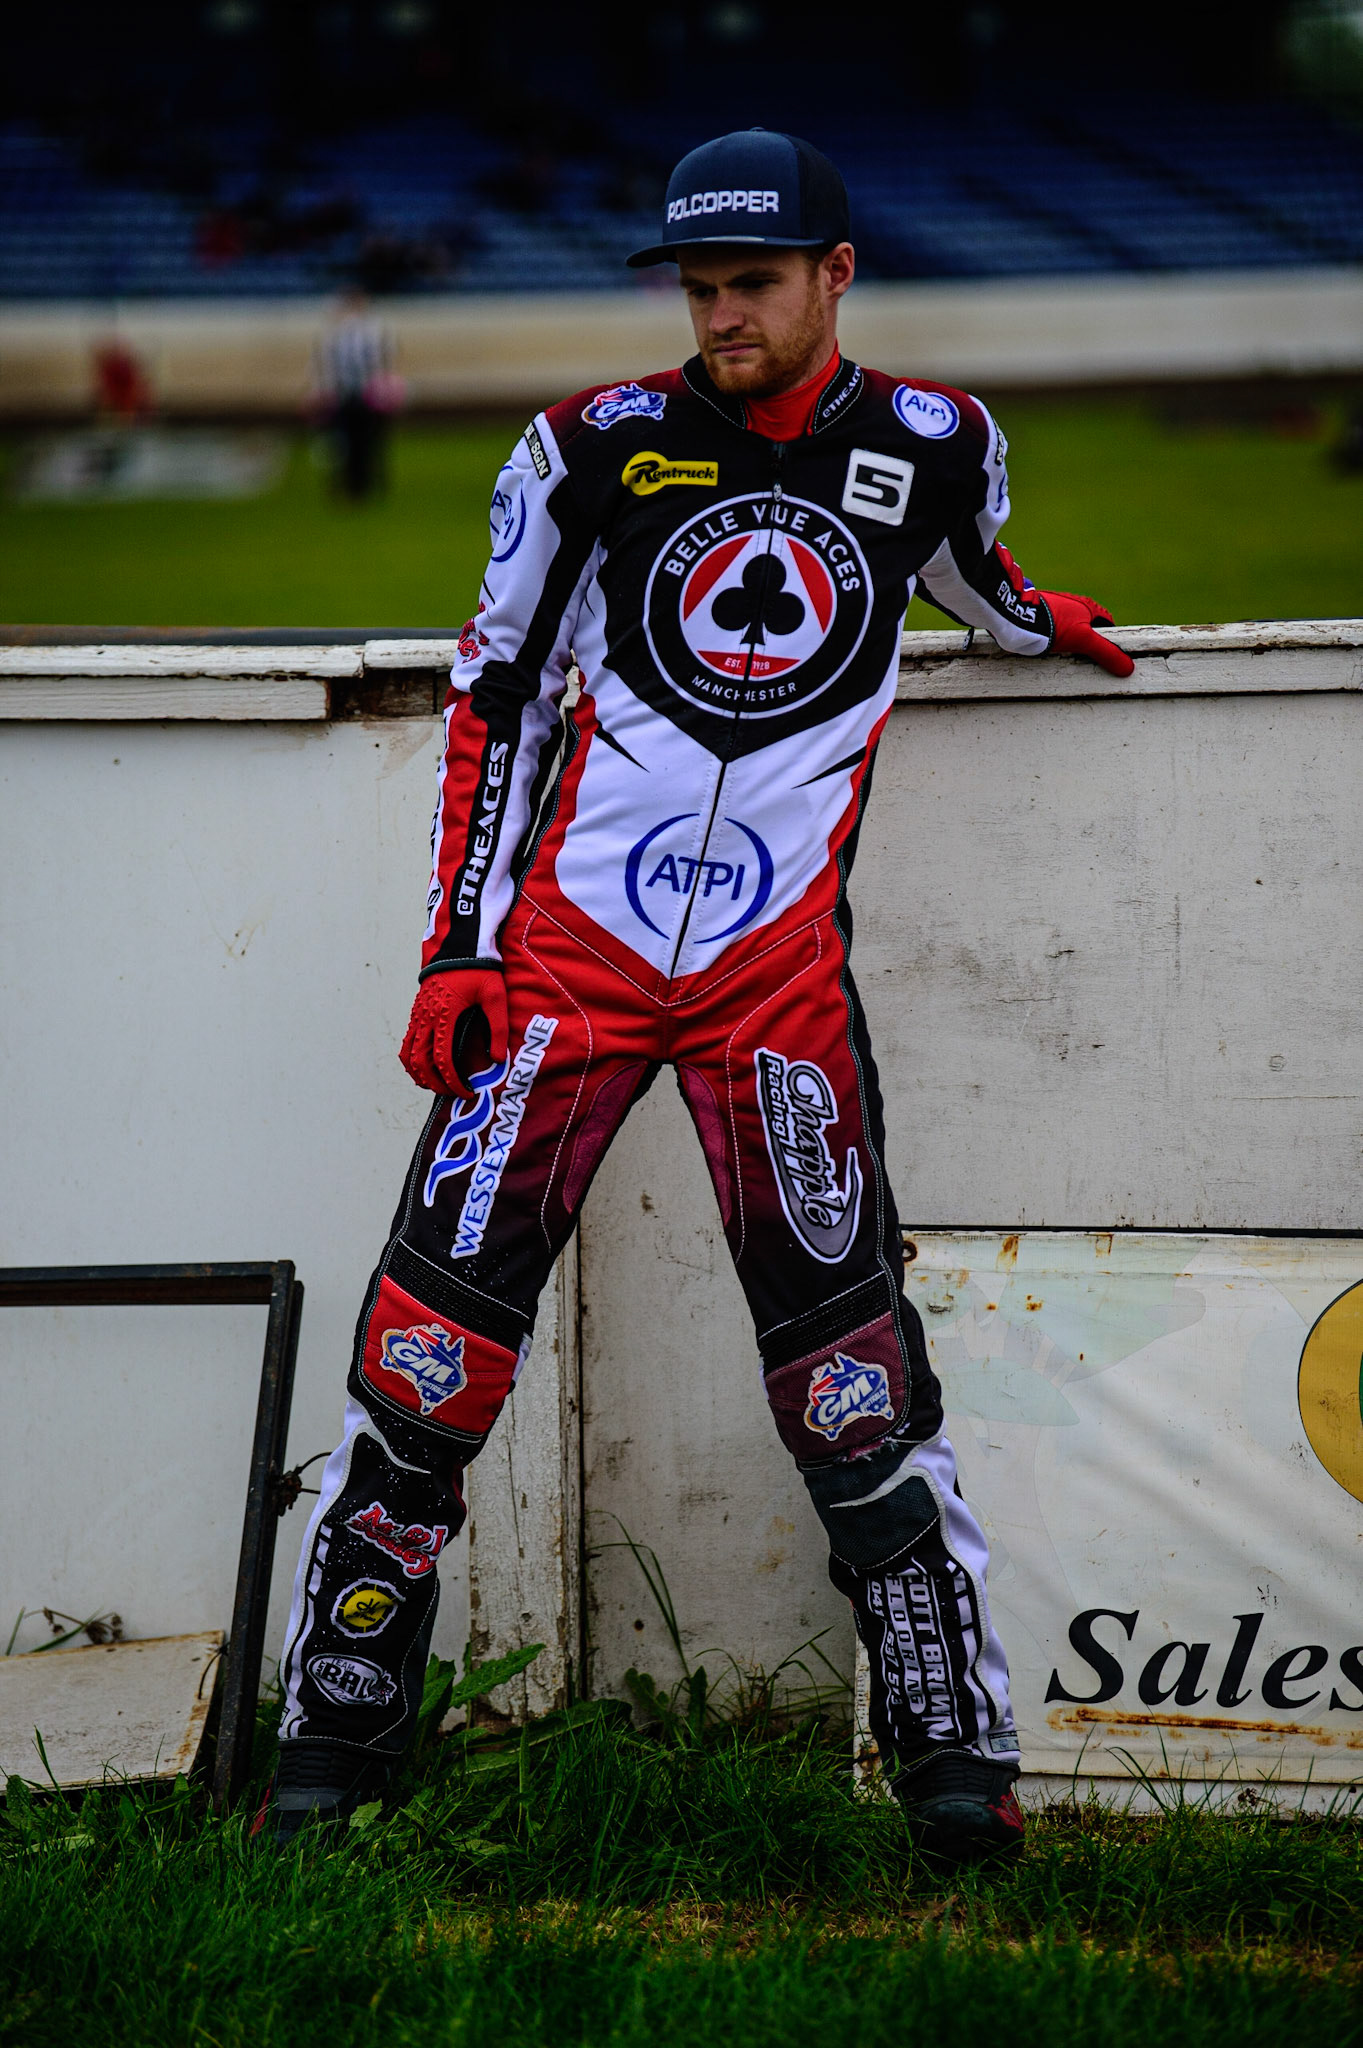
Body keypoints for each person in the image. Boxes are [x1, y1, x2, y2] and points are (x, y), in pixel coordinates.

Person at [269, 128, 1133, 1862]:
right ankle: (329, 1754)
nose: (718, 314)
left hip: (774, 996)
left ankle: (954, 1762)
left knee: (849, 1390)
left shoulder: (935, 441)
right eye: (695, 286)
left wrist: (1038, 626)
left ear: (836, 272)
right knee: (425, 1370)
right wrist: (455, 947)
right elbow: (493, 693)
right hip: (557, 986)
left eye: (750, 283)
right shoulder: (588, 447)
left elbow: (971, 580)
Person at [312, 289, 402, 500]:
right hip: (351, 395)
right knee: (353, 442)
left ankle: (361, 484)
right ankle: (356, 484)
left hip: (365, 395)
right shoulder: (347, 332)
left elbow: (384, 361)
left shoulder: (369, 331)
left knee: (363, 442)